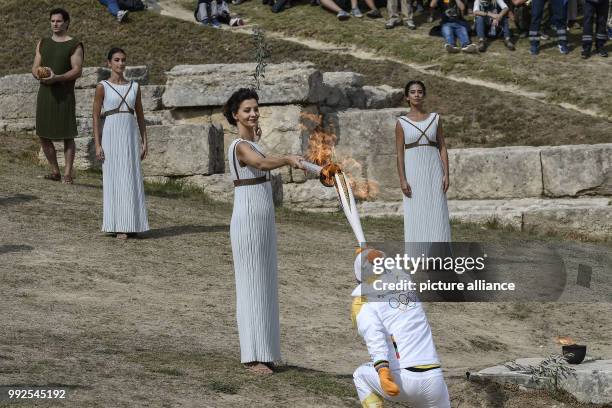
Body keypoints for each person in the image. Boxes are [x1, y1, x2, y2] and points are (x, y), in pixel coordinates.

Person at [224, 88, 304, 374]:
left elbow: (261, 156)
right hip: (246, 217)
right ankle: (251, 355)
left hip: (263, 216)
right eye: (247, 110)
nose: (253, 113)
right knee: (250, 284)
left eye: (255, 108)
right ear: (236, 115)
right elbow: (259, 164)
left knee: (265, 281)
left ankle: (266, 352)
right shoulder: (238, 147)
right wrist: (287, 158)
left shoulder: (253, 143)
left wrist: (265, 145)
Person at [351, 248, 451, 408]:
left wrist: (383, 372)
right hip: (435, 381)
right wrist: (373, 255)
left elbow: (375, 339)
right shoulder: (407, 287)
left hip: (404, 380)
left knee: (360, 376)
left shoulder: (366, 303)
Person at [92, 48, 149, 240]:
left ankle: (133, 223)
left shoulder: (134, 86)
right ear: (109, 63)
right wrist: (98, 144)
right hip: (111, 133)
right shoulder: (103, 87)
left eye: (123, 60)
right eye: (116, 60)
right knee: (114, 177)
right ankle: (117, 225)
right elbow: (95, 116)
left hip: (130, 134)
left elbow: (140, 115)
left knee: (131, 176)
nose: (121, 63)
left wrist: (145, 141)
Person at [32, 8, 84, 184]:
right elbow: (35, 66)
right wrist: (39, 74)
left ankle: (68, 174)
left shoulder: (75, 44)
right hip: (45, 93)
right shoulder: (43, 43)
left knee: (67, 135)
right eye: (53, 21)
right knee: (43, 134)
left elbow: (77, 70)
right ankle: (55, 171)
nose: (55, 24)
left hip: (64, 94)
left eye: (59, 21)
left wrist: (58, 78)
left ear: (67, 23)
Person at [395, 81, 451, 243]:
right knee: (416, 211)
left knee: (437, 210)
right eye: (413, 92)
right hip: (413, 172)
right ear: (407, 97)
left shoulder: (435, 118)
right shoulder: (402, 123)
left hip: (434, 170)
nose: (417, 95)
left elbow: (442, 147)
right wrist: (402, 179)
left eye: (420, 92)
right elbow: (399, 154)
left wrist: (446, 174)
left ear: (424, 95)